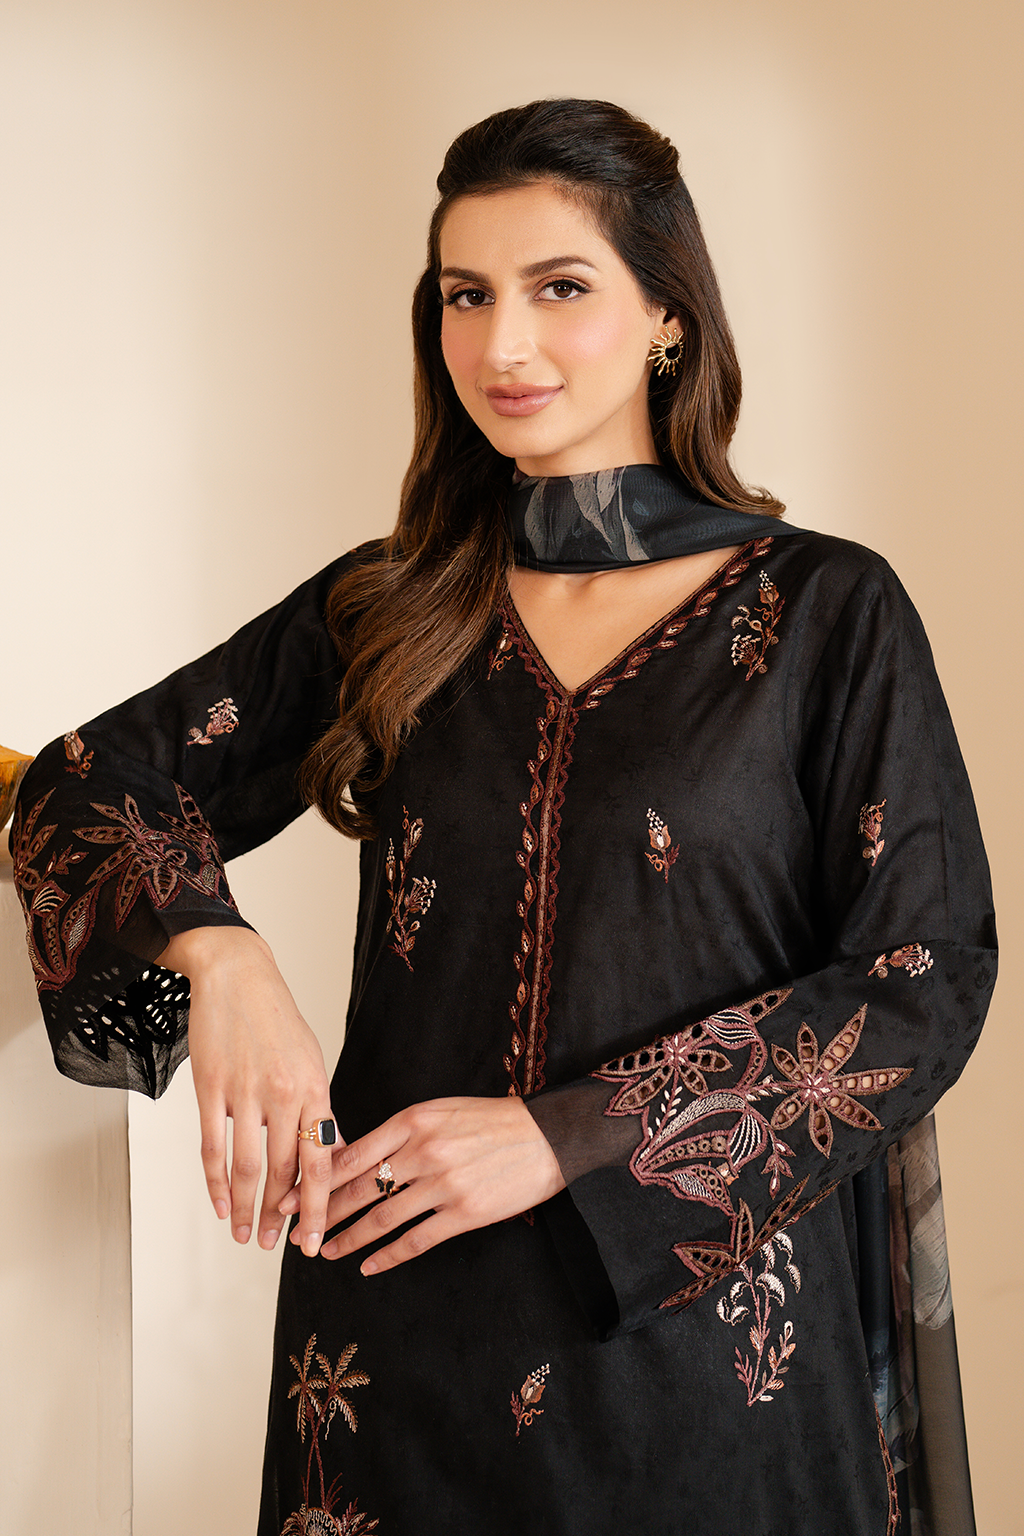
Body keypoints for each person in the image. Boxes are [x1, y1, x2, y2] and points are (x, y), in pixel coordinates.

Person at [11, 99, 995, 1536]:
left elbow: (920, 976)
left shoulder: (822, 612)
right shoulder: (395, 603)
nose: (503, 345)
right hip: (397, 1345)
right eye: (465, 295)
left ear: (668, 317)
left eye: (560, 288)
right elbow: (81, 782)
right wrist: (221, 957)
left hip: (708, 1364)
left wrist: (567, 1137)